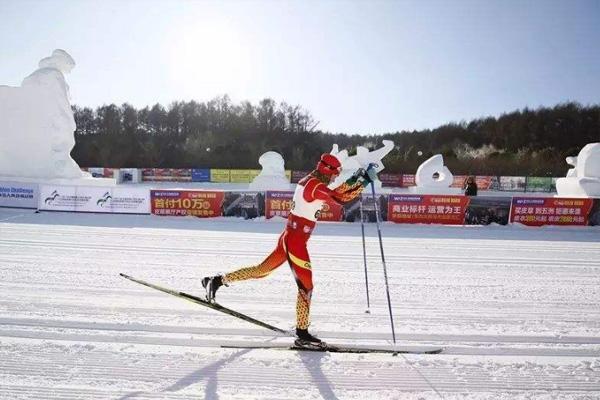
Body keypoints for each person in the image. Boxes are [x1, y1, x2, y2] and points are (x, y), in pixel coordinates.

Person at [202, 153, 377, 345]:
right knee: (306, 286)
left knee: (261, 271)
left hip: (289, 237)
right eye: (335, 173)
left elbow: (336, 191)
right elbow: (341, 198)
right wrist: (364, 181)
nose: (336, 177)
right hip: (295, 242)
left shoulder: (312, 181)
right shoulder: (314, 186)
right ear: (327, 170)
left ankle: (216, 281)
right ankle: (302, 334)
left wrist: (356, 178)